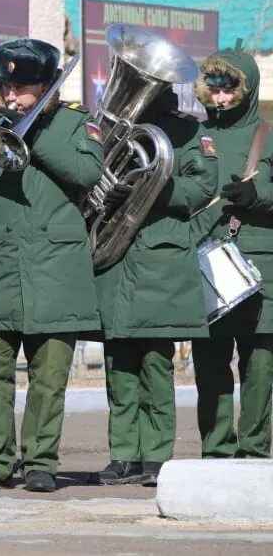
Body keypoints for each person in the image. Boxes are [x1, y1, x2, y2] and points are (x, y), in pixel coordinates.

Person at [0, 39, 103, 493]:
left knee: (49, 377)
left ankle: (40, 461)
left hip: (54, 268)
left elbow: (87, 175)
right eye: (7, 87)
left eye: (24, 89)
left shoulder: (79, 125)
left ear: (49, 88)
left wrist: (34, 138)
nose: (14, 97)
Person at [94, 87, 217, 486]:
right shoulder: (113, 127)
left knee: (155, 365)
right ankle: (123, 454)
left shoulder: (188, 131)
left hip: (159, 257)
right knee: (119, 365)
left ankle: (157, 456)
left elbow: (202, 187)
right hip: (115, 256)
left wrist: (153, 185)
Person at [191, 48, 273, 459]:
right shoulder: (196, 136)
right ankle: (216, 448)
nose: (220, 98)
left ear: (248, 88)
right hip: (206, 264)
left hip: (262, 267)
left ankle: (256, 449)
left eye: (229, 90)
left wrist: (258, 194)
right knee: (209, 365)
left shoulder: (268, 134)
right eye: (214, 90)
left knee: (259, 366)